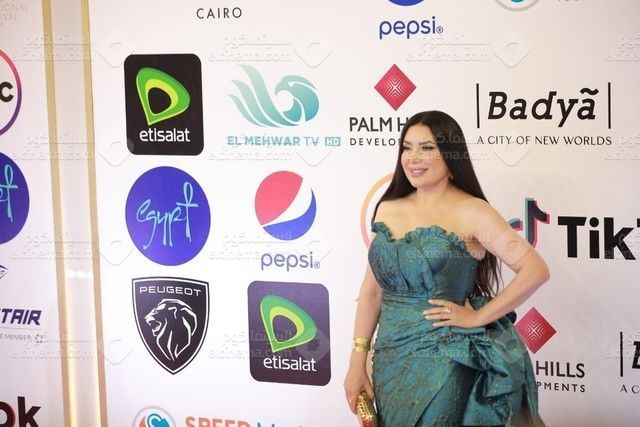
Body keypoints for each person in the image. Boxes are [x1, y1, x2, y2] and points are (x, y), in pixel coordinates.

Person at [343, 111, 549, 426]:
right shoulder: (388, 208)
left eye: (427, 148)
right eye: (407, 147)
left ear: (451, 155)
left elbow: (535, 270)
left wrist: (477, 317)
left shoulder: (472, 211)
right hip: (388, 358)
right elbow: (372, 292)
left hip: (445, 357)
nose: (413, 158)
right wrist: (357, 359)